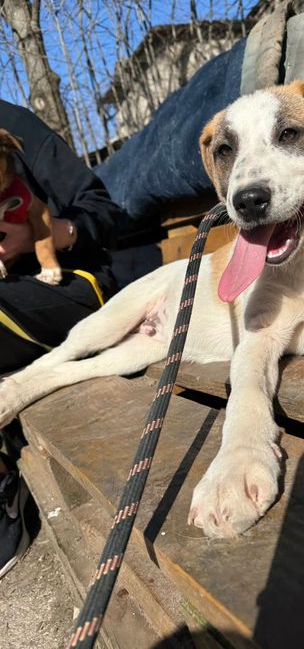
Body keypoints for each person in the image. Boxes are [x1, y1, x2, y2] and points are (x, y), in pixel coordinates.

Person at [0, 99, 121, 578]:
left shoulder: (11, 126)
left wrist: (39, 236)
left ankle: (4, 492)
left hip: (73, 283)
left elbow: (103, 212)